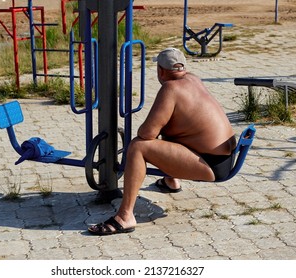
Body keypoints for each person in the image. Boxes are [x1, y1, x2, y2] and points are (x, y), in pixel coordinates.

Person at [88, 47, 236, 235]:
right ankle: (171, 181)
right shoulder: (193, 79)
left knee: (138, 146)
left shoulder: (170, 88)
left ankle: (125, 216)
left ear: (160, 70)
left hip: (210, 165)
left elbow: (147, 133)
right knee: (173, 127)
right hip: (224, 159)